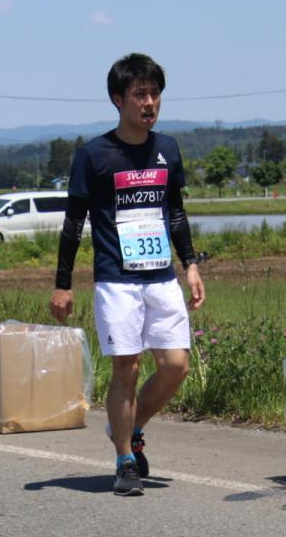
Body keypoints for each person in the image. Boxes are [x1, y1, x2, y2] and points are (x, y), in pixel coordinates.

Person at [49, 53, 205, 496]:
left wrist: (191, 264)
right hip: (116, 279)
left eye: (154, 94)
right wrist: (63, 284)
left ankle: (129, 427)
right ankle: (125, 461)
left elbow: (176, 212)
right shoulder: (93, 155)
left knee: (176, 366)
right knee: (127, 368)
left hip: (161, 277)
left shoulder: (167, 149)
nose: (149, 102)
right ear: (118, 100)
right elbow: (73, 224)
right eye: (140, 94)